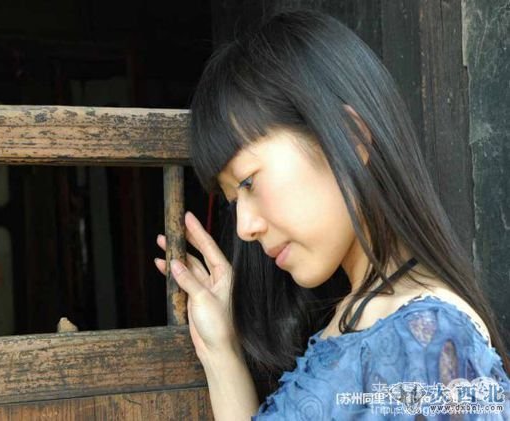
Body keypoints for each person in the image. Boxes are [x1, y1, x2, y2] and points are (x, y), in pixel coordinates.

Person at [153, 8, 510, 420]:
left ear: (351, 138)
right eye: (234, 201)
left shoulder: (427, 340)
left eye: (248, 181)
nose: (245, 228)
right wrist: (222, 352)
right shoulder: (359, 325)